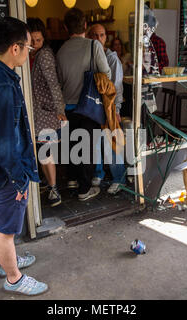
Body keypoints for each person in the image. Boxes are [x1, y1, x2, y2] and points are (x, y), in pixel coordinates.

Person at [0, 17, 48, 296]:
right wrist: (18, 180)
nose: (30, 52)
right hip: (5, 174)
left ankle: (6, 262)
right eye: (28, 46)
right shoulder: (2, 84)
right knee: (5, 230)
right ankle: (14, 277)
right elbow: (5, 141)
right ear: (15, 48)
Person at [56, 8, 111, 201]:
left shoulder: (61, 51)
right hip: (89, 106)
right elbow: (106, 74)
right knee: (87, 148)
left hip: (68, 106)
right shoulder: (93, 46)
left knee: (73, 145)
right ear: (85, 26)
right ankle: (84, 189)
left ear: (65, 28)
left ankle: (73, 180)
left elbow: (60, 82)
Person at [27, 17, 66, 207]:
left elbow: (54, 84)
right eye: (31, 41)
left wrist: (60, 109)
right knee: (42, 152)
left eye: (38, 40)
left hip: (46, 113)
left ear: (44, 39)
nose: (35, 44)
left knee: (45, 152)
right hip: (37, 113)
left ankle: (53, 188)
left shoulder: (44, 55)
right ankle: (49, 184)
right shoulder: (30, 55)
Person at [87, 24, 126, 194]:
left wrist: (116, 109)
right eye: (94, 35)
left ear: (105, 37)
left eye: (101, 35)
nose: (98, 38)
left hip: (109, 106)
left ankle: (119, 178)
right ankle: (98, 173)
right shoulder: (89, 55)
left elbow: (117, 86)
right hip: (93, 105)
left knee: (111, 143)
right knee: (96, 141)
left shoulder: (111, 58)